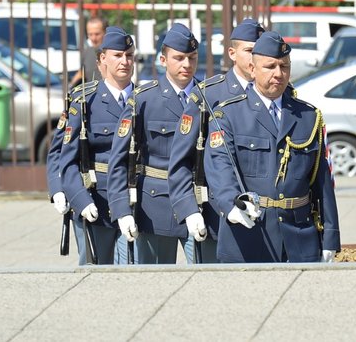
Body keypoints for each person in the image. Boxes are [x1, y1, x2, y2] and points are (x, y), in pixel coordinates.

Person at [204, 30, 340, 263]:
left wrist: (330, 236)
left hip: (300, 238)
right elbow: (220, 168)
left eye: (284, 66)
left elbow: (322, 182)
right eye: (270, 66)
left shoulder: (308, 116)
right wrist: (232, 205)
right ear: (253, 69)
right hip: (249, 234)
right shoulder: (228, 114)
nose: (278, 74)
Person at [168, 17, 265, 263]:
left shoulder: (275, 92)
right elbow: (180, 160)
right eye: (250, 51)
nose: (256, 59)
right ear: (232, 53)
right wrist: (188, 208)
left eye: (261, 52)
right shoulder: (208, 94)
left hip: (266, 214)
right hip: (217, 217)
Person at [107, 23, 200, 263]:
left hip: (201, 203)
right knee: (154, 283)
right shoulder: (144, 100)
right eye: (179, 58)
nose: (186, 65)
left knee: (206, 278)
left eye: (192, 58)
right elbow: (118, 160)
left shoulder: (207, 97)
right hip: (156, 206)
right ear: (163, 59)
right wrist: (121, 210)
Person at [58, 26, 136, 265]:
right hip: (95, 201)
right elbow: (66, 159)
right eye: (118, 55)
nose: (125, 61)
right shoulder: (85, 101)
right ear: (103, 58)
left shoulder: (145, 99)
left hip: (134, 201)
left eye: (129, 55)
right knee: (95, 273)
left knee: (134, 274)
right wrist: (79, 199)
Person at [46, 80, 98, 264]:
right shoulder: (81, 97)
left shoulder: (139, 98)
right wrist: (58, 187)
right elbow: (58, 150)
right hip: (88, 194)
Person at [69, 16, 107, 87]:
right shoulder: (87, 52)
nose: (93, 38)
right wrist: (70, 88)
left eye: (97, 34)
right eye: (90, 34)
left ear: (105, 32)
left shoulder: (114, 54)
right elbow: (81, 73)